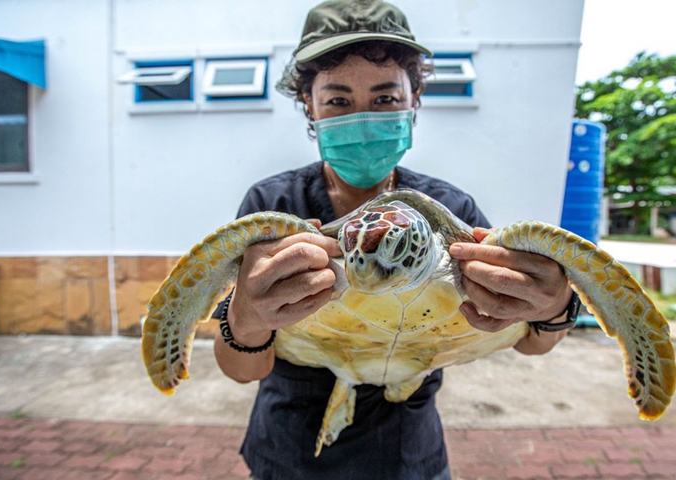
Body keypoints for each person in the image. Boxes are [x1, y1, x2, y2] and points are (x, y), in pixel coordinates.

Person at [212, 1, 575, 478]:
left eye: (385, 99)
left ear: (414, 99)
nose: (363, 118)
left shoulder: (453, 209)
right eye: (339, 101)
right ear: (310, 105)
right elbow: (240, 368)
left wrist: (553, 307)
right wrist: (243, 315)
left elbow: (530, 344)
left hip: (407, 456)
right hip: (290, 453)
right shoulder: (274, 206)